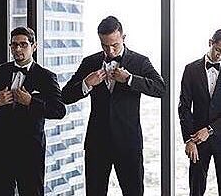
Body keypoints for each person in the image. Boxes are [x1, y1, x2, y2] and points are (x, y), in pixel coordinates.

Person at [62, 15, 165, 196]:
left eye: (114, 45)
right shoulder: (90, 62)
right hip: (97, 143)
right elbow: (65, 95)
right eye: (104, 45)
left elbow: (160, 88)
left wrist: (130, 79)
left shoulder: (140, 62)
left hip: (128, 144)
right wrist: (87, 83)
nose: (109, 51)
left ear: (123, 38)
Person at [0, 26, 67, 196]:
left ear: (34, 46)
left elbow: (59, 110)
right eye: (14, 45)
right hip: (0, 149)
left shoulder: (46, 76)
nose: (17, 49)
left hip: (30, 152)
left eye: (23, 44)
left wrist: (31, 101)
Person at [178, 28, 221, 196]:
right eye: (218, 50)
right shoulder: (190, 69)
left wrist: (210, 130)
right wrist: (189, 140)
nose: (220, 55)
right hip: (197, 139)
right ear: (210, 43)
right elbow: (184, 107)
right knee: (196, 189)